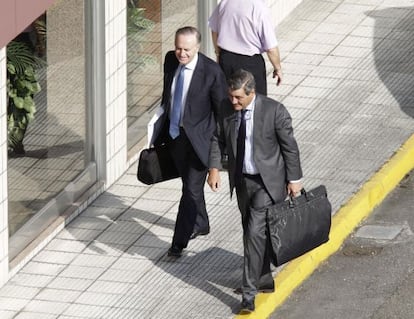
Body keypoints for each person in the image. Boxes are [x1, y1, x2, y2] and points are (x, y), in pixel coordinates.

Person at [207, 69, 303, 313]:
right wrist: (214, 168)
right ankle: (263, 279)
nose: (233, 101)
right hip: (242, 180)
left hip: (267, 183)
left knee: (253, 233)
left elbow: (289, 148)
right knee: (251, 231)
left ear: (252, 92)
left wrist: (294, 180)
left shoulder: (274, 111)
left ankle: (248, 294)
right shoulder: (227, 108)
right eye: (231, 96)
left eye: (238, 97)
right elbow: (217, 138)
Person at [151, 26, 227, 258]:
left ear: (198, 47)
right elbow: (169, 94)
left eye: (186, 49)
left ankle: (178, 243)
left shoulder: (212, 72)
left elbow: (222, 115)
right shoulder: (170, 61)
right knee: (190, 187)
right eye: (177, 48)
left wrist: (216, 163)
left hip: (199, 142)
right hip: (175, 136)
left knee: (190, 191)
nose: (181, 53)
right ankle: (201, 223)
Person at [208, 0, 283, 96]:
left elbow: (214, 30)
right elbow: (271, 48)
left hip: (226, 59)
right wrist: (278, 68)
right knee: (254, 102)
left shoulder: (226, 2)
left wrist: (218, 54)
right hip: (250, 63)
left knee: (228, 99)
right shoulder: (259, 8)